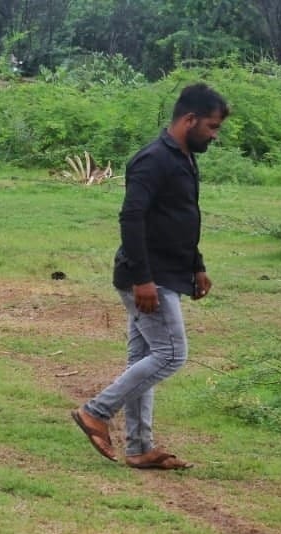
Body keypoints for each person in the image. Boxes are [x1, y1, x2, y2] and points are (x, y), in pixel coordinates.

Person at [70, 82, 229, 470]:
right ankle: (96, 412)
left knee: (144, 357)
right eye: (211, 126)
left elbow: (178, 217)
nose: (213, 135)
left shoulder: (184, 157)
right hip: (147, 275)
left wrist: (197, 264)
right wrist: (142, 278)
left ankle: (140, 447)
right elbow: (132, 217)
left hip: (170, 271)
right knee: (171, 354)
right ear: (188, 120)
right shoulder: (153, 159)